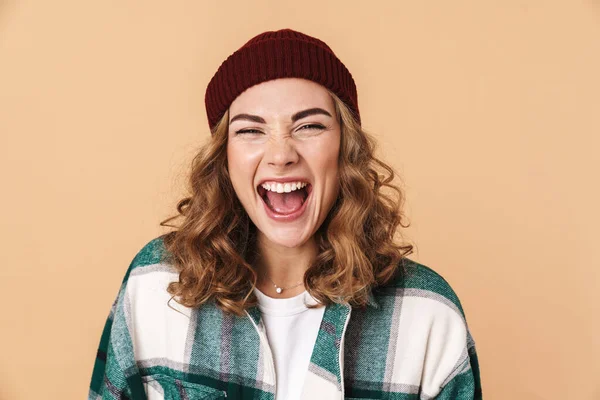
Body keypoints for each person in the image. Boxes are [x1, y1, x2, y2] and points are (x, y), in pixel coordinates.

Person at [88, 28, 483, 400]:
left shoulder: (427, 312)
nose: (281, 155)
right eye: (250, 130)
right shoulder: (153, 286)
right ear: (223, 159)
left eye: (309, 126)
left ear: (346, 148)